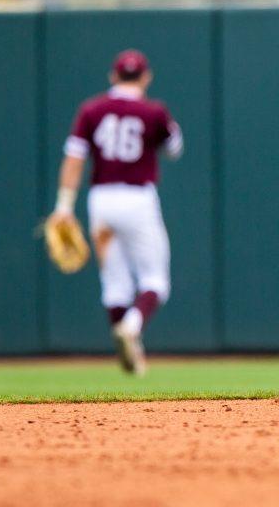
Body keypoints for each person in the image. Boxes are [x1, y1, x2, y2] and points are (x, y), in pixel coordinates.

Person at [51, 49, 183, 375]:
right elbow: (174, 148)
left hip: (102, 200)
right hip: (137, 198)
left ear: (113, 76)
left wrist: (64, 207)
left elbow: (74, 159)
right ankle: (132, 327)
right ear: (145, 77)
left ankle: (131, 358)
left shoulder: (92, 110)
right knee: (155, 281)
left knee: (114, 285)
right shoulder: (154, 112)